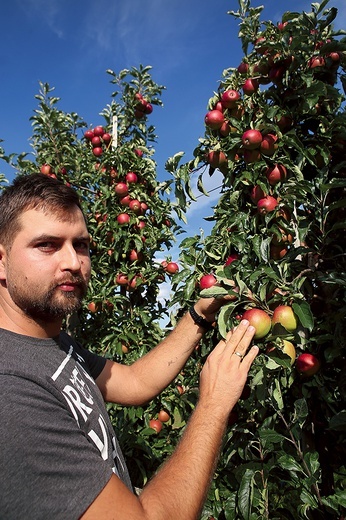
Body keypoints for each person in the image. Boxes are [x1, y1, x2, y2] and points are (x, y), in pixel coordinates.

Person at [0, 173, 258, 519]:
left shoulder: (51, 344)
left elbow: (134, 383)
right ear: (1, 261)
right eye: (46, 245)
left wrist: (198, 315)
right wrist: (214, 403)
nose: (73, 263)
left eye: (81, 245)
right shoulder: (12, 393)